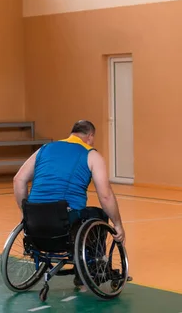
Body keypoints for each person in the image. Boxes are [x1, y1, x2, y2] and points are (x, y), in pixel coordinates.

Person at [13, 120, 125, 286]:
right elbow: (106, 196)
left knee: (71, 216)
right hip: (65, 217)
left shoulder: (45, 149)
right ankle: (91, 268)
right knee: (99, 215)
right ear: (90, 136)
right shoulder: (91, 154)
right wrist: (118, 225)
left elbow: (18, 180)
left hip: (35, 218)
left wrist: (27, 213)